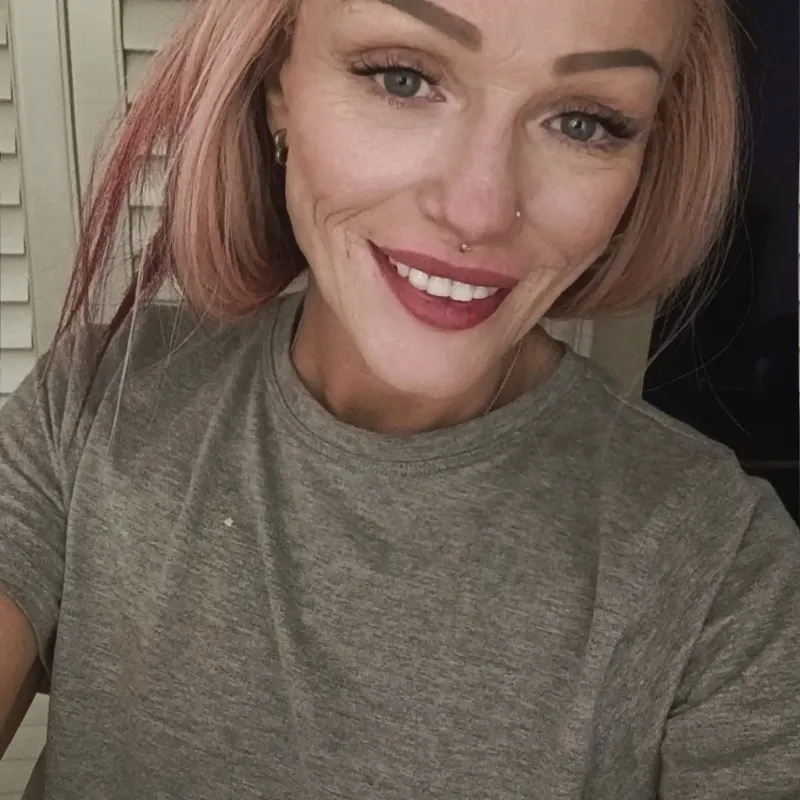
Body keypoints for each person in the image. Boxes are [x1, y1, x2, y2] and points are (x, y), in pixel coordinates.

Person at [0, 0, 797, 796]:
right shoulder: (98, 401)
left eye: (585, 122)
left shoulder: (724, 574)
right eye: (402, 78)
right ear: (277, 86)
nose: (479, 210)